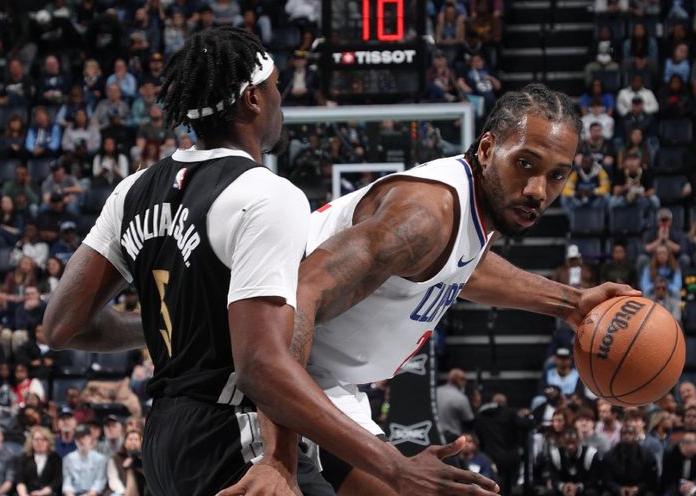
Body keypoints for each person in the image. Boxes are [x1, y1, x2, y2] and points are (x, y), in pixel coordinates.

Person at [42, 27, 494, 496]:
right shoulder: (266, 195)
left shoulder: (132, 190)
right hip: (236, 432)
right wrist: (394, 467)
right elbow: (262, 366)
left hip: (164, 437)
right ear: (253, 99)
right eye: (276, 86)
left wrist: (176, 320)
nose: (281, 98)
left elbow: (62, 327)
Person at [281, 84, 638, 494]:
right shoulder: (424, 218)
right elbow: (294, 299)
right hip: (256, 366)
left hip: (323, 376)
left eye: (556, 175)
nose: (539, 190)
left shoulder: (468, 214)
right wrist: (278, 458)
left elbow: (468, 268)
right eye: (525, 163)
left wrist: (571, 303)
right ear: (487, 149)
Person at [601, 422, 659, 496]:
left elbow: (652, 480)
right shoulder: (610, 456)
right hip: (618, 490)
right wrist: (618, 489)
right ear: (620, 436)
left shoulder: (647, 455)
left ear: (636, 436)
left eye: (630, 433)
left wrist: (638, 488)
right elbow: (607, 480)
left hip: (640, 490)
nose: (627, 436)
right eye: (624, 434)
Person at [547, 427, 600, 496]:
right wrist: (563, 487)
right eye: (567, 443)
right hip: (563, 489)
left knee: (591, 493)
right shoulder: (555, 455)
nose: (570, 446)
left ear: (579, 441)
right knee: (550, 492)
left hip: (583, 489)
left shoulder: (590, 454)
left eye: (573, 442)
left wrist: (577, 488)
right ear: (562, 442)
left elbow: (593, 480)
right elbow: (554, 478)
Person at [15, 425, 64, 496]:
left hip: (48, 493)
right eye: (36, 439)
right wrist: (24, 494)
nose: (40, 442)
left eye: (43, 439)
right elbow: (20, 480)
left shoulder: (56, 458)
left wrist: (42, 493)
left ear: (48, 442)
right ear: (31, 441)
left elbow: (57, 481)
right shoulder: (24, 457)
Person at [661, 431, 696, 496]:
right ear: (681, 445)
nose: (691, 447)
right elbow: (667, 477)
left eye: (695, 442)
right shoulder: (670, 453)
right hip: (675, 484)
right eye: (688, 443)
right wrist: (679, 487)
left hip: (695, 485)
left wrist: (694, 483)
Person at [62, 425, 107, 496]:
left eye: (83, 437)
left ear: (90, 438)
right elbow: (67, 482)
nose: (80, 440)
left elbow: (100, 481)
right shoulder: (68, 458)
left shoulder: (100, 459)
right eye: (77, 438)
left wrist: (89, 495)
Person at [437, 368, 474, 442]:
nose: (465, 383)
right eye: (464, 379)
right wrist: (475, 406)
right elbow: (469, 420)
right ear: (459, 380)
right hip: (452, 438)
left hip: (433, 435)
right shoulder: (461, 397)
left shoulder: (436, 391)